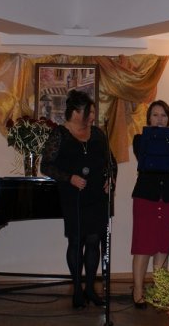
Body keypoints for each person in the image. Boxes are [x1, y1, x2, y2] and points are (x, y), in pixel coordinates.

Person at [40, 90, 115, 309]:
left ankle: (90, 288)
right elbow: (46, 166)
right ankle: (77, 290)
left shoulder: (98, 134)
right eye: (88, 112)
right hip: (73, 196)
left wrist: (110, 179)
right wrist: (69, 178)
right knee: (76, 241)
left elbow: (111, 162)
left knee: (94, 241)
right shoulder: (60, 134)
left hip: (97, 196)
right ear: (75, 113)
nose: (92, 116)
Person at [130, 100, 169, 309]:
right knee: (143, 246)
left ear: (168, 119)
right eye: (155, 115)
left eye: (163, 115)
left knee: (163, 245)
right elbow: (145, 160)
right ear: (149, 118)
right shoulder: (140, 139)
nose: (160, 119)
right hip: (146, 197)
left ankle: (160, 289)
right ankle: (138, 291)